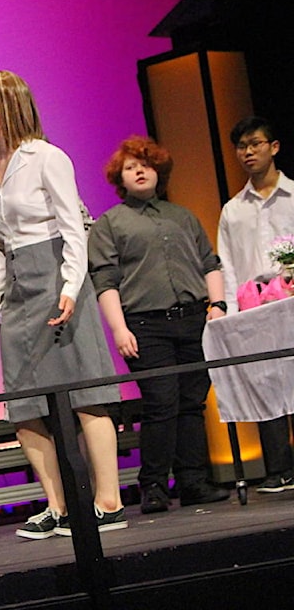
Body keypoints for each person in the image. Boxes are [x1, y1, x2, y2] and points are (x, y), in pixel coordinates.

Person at [0, 70, 126, 539]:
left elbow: (74, 230)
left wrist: (72, 287)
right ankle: (58, 507)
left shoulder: (47, 157)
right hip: (17, 289)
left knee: (86, 393)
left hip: (58, 278)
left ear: (11, 105)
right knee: (25, 402)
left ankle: (108, 501)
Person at [89, 135, 231, 514]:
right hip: (145, 326)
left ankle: (193, 481)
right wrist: (120, 329)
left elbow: (209, 263)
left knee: (192, 403)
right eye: (130, 166)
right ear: (120, 177)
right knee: (161, 403)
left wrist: (216, 305)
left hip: (192, 321)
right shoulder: (110, 223)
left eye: (146, 164)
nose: (139, 170)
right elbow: (105, 280)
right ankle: (153, 485)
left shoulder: (182, 216)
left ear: (159, 170)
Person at [217, 116, 294, 493]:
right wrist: (232, 313)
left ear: (274, 147)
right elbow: (227, 264)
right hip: (257, 310)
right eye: (241, 146)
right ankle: (279, 469)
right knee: (266, 384)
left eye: (255, 144)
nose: (248, 152)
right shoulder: (233, 210)